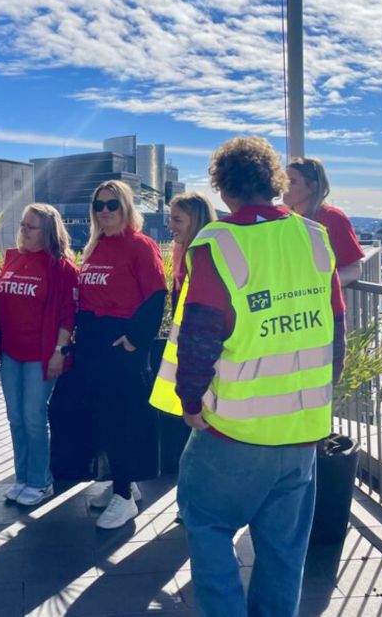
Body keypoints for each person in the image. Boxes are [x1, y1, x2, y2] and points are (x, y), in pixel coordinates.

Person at [150, 137, 345, 617]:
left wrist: (190, 403)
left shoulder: (216, 243)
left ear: (222, 187)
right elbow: (336, 331)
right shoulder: (314, 238)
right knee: (284, 551)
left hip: (233, 431)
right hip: (302, 432)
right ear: (274, 182)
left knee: (207, 525)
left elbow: (199, 335)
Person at [77, 179, 166, 529]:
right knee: (103, 417)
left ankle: (125, 496)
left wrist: (134, 340)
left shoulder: (140, 246)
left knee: (123, 419)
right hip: (94, 342)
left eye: (112, 204)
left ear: (126, 207)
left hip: (121, 343)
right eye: (99, 205)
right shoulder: (96, 247)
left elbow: (157, 297)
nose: (104, 211)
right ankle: (121, 485)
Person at [0, 204, 78, 507]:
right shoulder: (12, 258)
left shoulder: (62, 268)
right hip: (11, 353)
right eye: (23, 225)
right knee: (15, 417)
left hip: (41, 355)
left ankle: (40, 481)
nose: (24, 231)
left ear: (48, 232)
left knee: (33, 417)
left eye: (31, 227)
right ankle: (21, 477)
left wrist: (59, 351)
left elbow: (69, 316)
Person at [284, 157, 365, 288]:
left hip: (323, 303)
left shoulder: (333, 218)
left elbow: (354, 269)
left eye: (292, 182)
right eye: (283, 180)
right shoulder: (284, 219)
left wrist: (321, 285)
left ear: (313, 187)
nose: (284, 187)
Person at [168, 191, 216, 311]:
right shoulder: (179, 251)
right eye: (171, 219)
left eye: (177, 220)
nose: (170, 226)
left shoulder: (209, 257)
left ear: (196, 221)